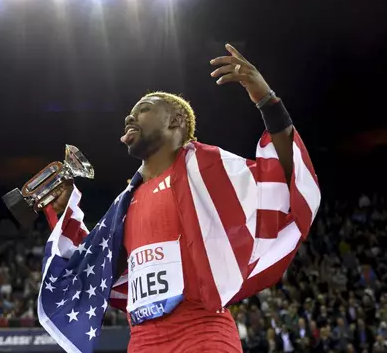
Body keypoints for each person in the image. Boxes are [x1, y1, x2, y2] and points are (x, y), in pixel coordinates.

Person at [38, 44, 320, 353]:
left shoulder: (208, 170)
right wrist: (63, 210)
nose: (129, 118)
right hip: (142, 340)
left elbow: (283, 179)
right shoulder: (125, 204)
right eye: (129, 115)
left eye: (143, 110)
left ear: (176, 121)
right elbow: (98, 266)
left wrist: (267, 101)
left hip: (201, 332)